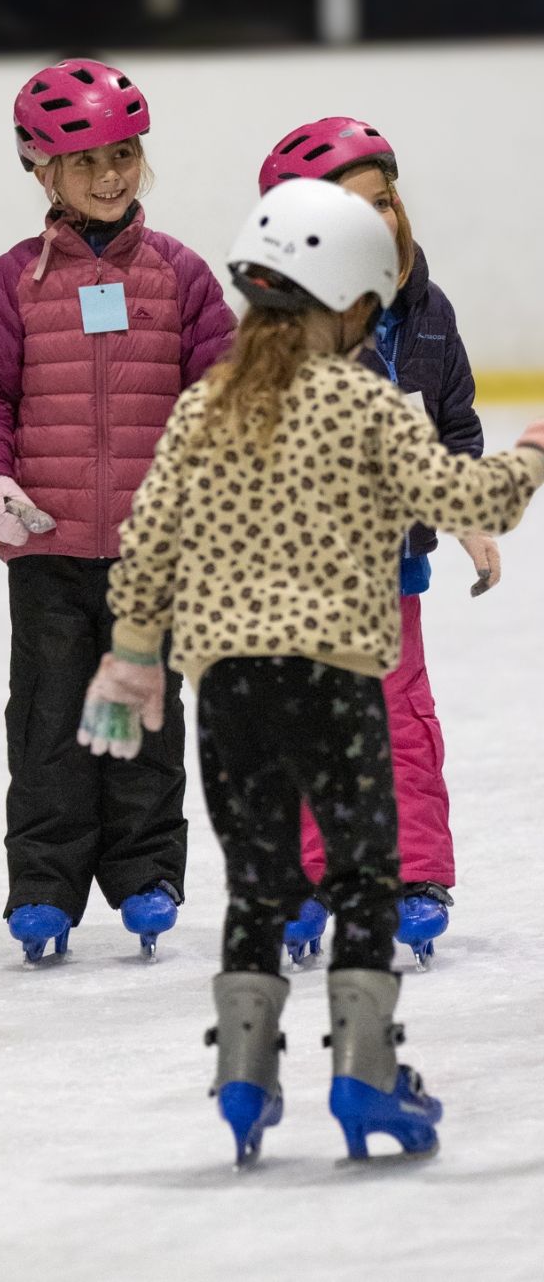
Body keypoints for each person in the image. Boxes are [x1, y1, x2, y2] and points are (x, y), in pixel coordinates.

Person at [79, 178, 544, 1163]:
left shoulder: (206, 406)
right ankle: (365, 1076)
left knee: (256, 883)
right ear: (350, 300)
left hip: (228, 689)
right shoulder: (363, 403)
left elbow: (151, 536)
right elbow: (460, 496)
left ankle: (244, 1082)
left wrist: (130, 658)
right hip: (332, 680)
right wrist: (531, 457)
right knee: (366, 875)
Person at [0, 58, 234, 963]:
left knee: (146, 713)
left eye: (123, 153)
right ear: (41, 168)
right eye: (83, 162)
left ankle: (146, 872)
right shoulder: (14, 284)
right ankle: (43, 884)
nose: (109, 175)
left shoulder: (181, 277)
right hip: (49, 548)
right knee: (48, 719)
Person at [258, 117, 490, 968]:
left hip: (396, 571)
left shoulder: (429, 313)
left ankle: (419, 876)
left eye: (383, 202)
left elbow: (455, 425)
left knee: (403, 721)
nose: (377, 223)